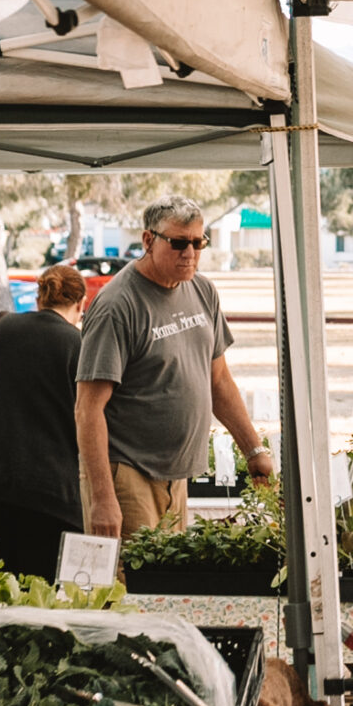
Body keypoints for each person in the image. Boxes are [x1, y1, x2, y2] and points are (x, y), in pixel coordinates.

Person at [74, 196, 274, 542]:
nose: (190, 253)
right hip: (127, 473)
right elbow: (87, 409)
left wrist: (253, 450)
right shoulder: (117, 307)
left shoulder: (202, 291)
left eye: (199, 243)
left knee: (165, 586)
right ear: (148, 241)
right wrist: (103, 498)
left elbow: (219, 381)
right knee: (131, 587)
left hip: (176, 476)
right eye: (179, 243)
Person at [0, 263, 90, 581]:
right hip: (49, 497)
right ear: (80, 304)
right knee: (32, 602)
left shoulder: (0, 328)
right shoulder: (79, 346)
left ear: (39, 297)